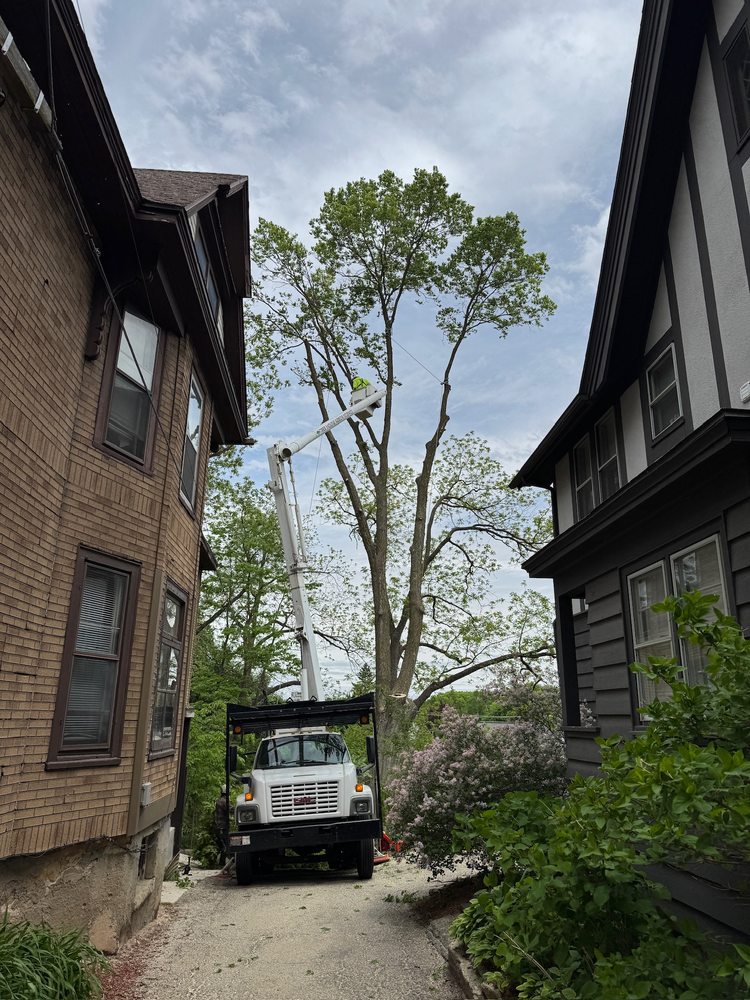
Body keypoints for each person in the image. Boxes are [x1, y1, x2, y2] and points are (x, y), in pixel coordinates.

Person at [213, 786, 228, 867]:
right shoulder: (224, 801)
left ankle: (217, 862)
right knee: (224, 847)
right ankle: (221, 864)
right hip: (222, 827)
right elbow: (231, 809)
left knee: (220, 846)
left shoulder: (218, 801)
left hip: (217, 827)